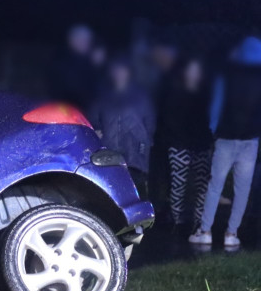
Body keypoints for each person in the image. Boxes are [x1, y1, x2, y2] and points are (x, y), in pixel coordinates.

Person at [190, 36, 261, 247]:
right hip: (250, 140)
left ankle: (205, 230)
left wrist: (214, 130)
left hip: (226, 138)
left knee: (215, 186)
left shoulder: (227, 74)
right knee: (243, 190)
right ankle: (232, 234)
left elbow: (217, 105)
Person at [157, 56, 213, 232]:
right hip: (179, 145)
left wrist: (206, 140)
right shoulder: (175, 92)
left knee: (202, 184)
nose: (194, 74)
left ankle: (198, 220)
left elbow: (208, 119)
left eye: (197, 71)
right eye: (191, 70)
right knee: (178, 184)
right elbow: (169, 119)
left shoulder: (205, 94)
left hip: (201, 145)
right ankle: (176, 219)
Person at [87, 55, 156, 194]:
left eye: (122, 70)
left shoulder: (140, 96)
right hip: (111, 150)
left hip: (135, 154)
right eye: (116, 70)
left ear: (129, 72)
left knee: (136, 189)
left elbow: (150, 122)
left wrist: (145, 141)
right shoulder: (104, 96)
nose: (119, 73)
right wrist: (97, 130)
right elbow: (93, 117)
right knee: (113, 189)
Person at [51, 24, 100, 112]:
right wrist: (92, 66)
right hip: (69, 112)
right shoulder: (63, 61)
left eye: (87, 40)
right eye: (81, 40)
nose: (85, 43)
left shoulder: (88, 60)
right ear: (71, 41)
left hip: (89, 113)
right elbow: (77, 91)